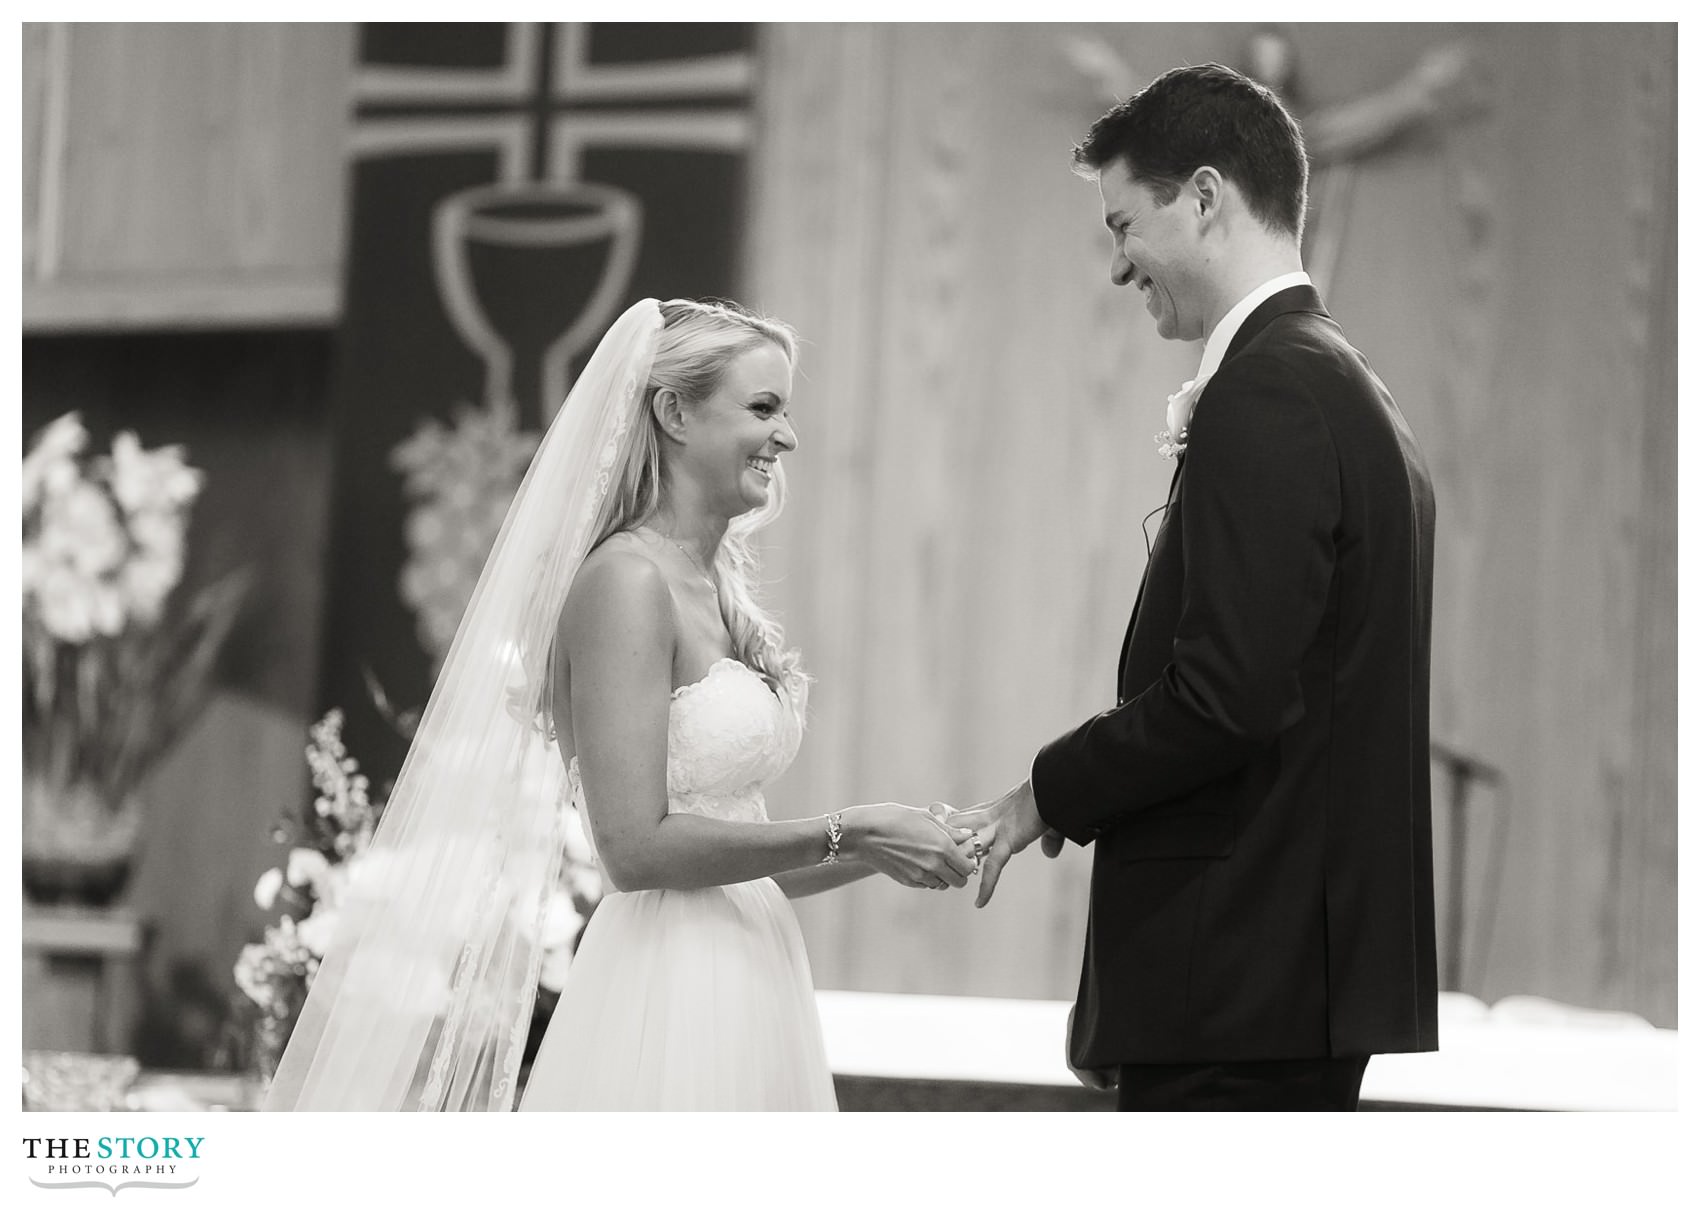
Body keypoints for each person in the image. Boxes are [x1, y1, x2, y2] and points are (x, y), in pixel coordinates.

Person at [264, 298, 978, 1112]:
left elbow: (737, 855)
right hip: (668, 988)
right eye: (763, 408)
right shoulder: (625, 581)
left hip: (751, 967)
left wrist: (898, 841)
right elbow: (635, 847)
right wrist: (849, 827)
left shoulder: (712, 586)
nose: (788, 436)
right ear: (674, 411)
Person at [952, 63, 1438, 1112]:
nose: (1118, 267)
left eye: (1124, 225)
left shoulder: (1269, 389)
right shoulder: (1342, 381)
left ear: (1206, 195)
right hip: (1274, 978)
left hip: (1236, 977)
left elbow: (1224, 698)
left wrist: (1044, 790)